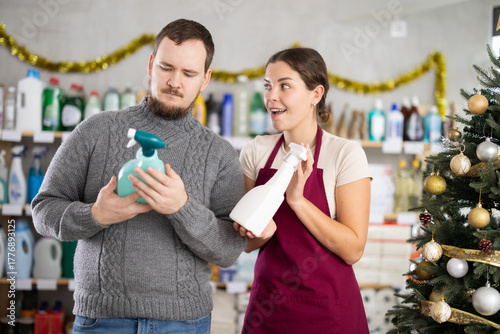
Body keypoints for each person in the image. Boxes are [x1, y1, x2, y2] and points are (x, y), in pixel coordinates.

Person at [32, 19, 247, 334]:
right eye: (166, 67)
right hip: (101, 320)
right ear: (150, 64)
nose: (175, 81)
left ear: (205, 79)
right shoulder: (96, 130)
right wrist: (95, 213)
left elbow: (229, 250)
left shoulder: (220, 154)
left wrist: (181, 207)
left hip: (184, 323)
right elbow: (43, 211)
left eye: (188, 73)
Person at [234, 47, 372, 333]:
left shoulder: (344, 154)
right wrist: (262, 231)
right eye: (268, 86)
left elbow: (353, 249)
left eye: (285, 86)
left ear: (316, 94)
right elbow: (244, 244)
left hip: (329, 313)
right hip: (267, 310)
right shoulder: (256, 152)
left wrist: (297, 201)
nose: (272, 96)